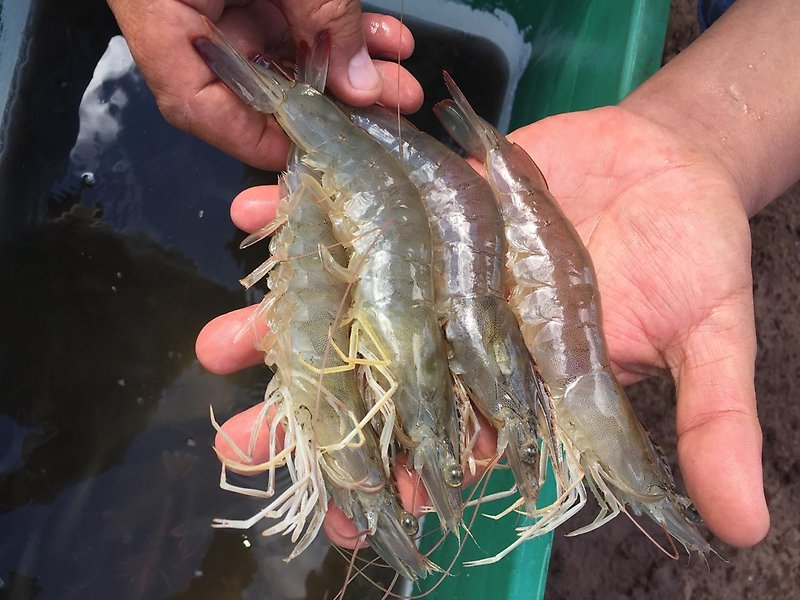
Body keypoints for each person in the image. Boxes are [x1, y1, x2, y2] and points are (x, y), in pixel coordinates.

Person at [109, 0, 800, 551]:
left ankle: (305, 103)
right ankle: (304, 103)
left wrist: (706, 136)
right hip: (385, 180)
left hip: (423, 195)